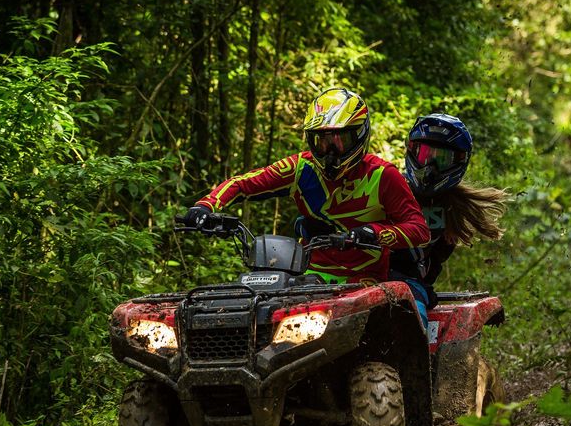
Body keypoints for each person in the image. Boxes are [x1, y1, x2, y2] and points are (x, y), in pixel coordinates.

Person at [181, 87, 430, 284]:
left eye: (339, 141)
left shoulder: (382, 175)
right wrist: (205, 207)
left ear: (359, 135)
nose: (330, 151)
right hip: (307, 275)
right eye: (321, 141)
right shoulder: (300, 168)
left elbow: (419, 229)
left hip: (365, 281)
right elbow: (242, 183)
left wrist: (374, 233)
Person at [389, 113, 508, 328]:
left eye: (441, 159)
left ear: (458, 161)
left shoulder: (453, 207)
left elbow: (435, 263)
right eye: (425, 155)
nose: (431, 166)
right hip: (365, 278)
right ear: (412, 150)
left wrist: (422, 284)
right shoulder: (388, 187)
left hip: (409, 288)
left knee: (413, 328)